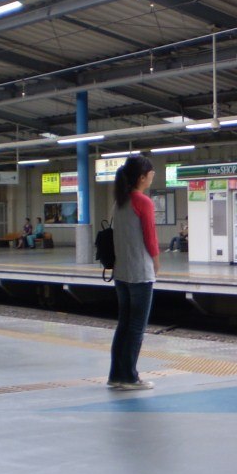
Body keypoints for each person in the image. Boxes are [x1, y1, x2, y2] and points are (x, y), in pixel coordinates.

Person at [108, 155, 160, 391]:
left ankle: (116, 375)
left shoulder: (119, 201)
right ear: (141, 177)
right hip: (140, 272)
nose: (152, 176)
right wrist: (156, 262)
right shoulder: (143, 201)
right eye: (150, 173)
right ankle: (130, 378)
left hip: (121, 273)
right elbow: (150, 236)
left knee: (124, 325)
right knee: (136, 327)